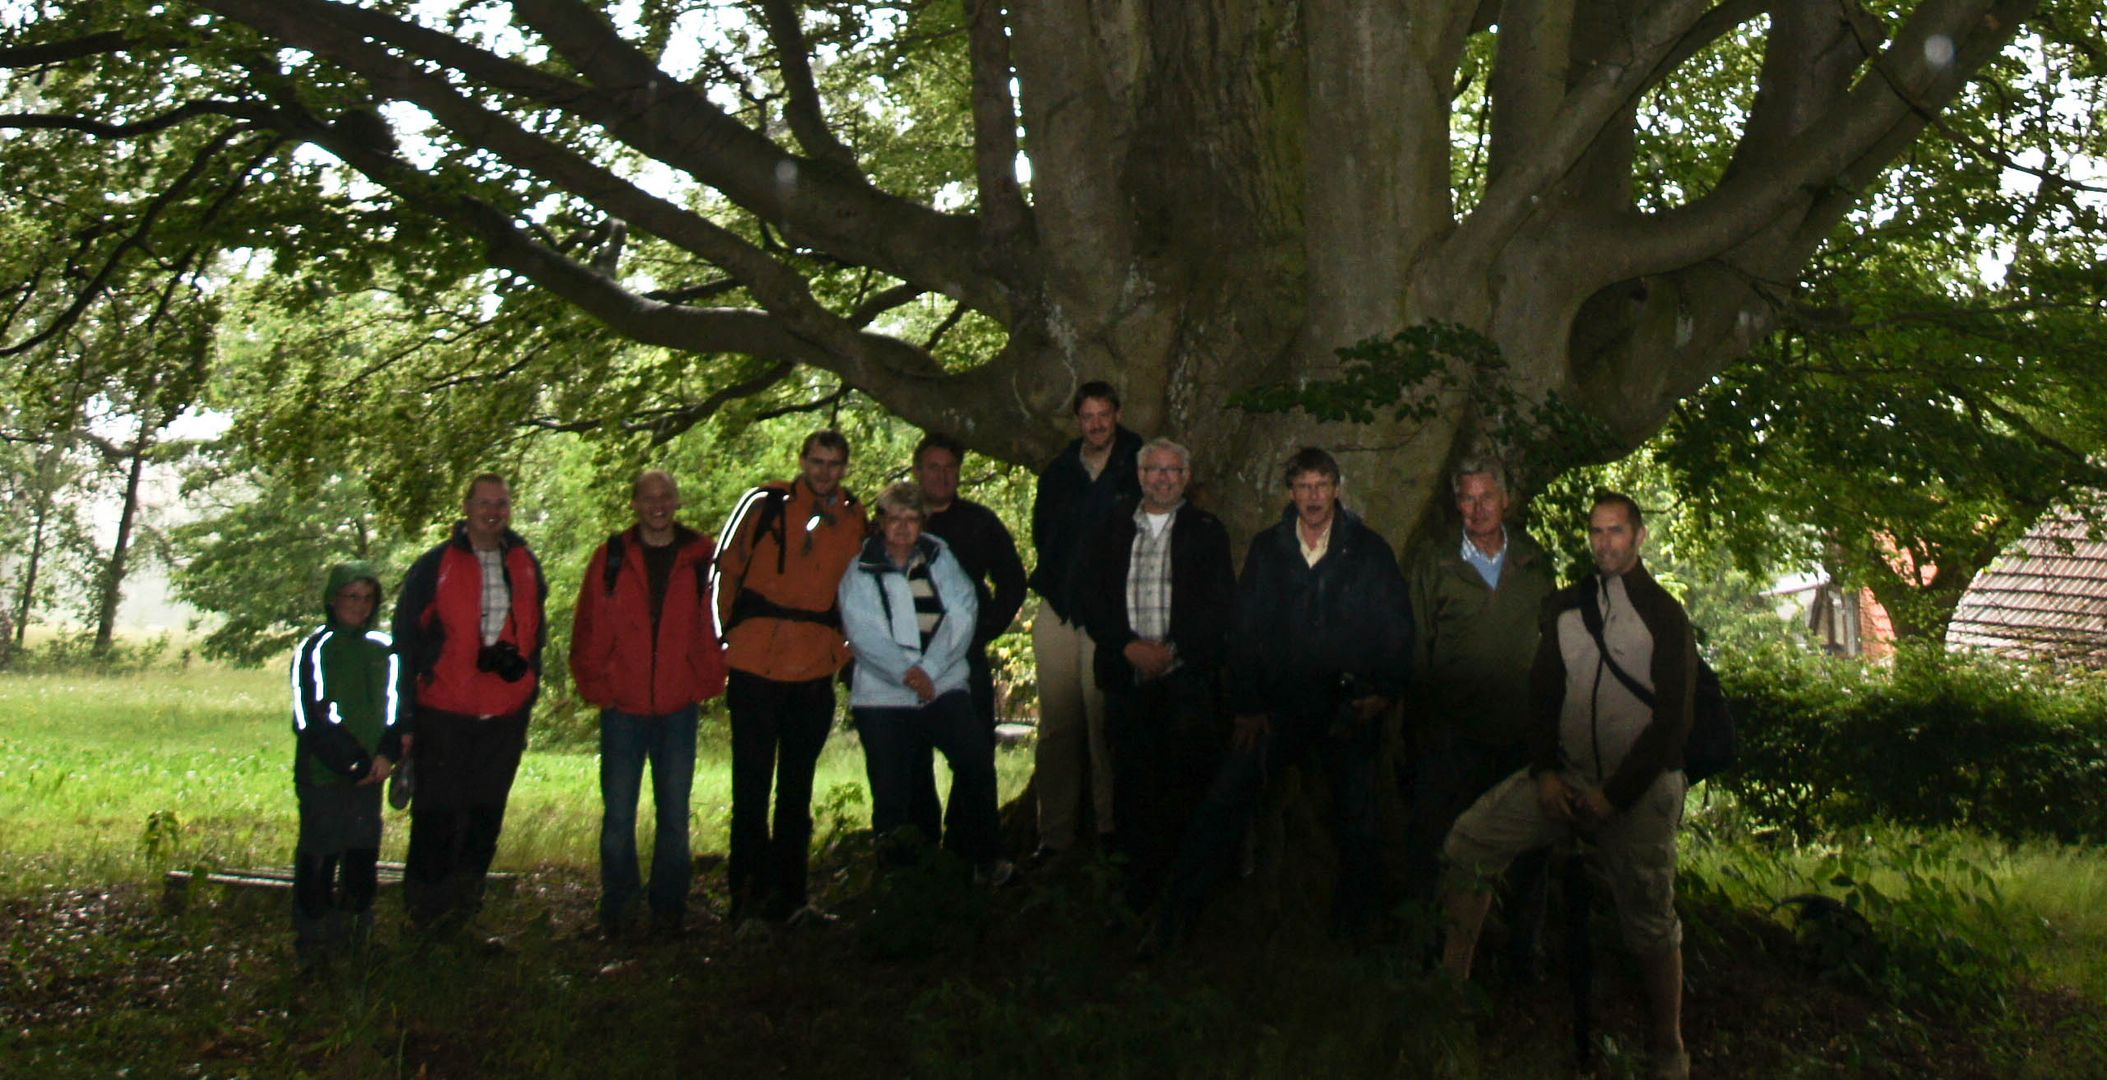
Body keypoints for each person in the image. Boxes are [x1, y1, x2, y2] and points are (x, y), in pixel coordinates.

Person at [1440, 492, 1696, 1080]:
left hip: (1640, 792)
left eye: (1616, 532)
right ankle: (1448, 1002)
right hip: (1567, 780)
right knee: (1469, 843)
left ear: (1639, 537)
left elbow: (1671, 726)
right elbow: (1544, 696)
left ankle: (1668, 1047)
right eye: (1596, 532)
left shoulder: (1664, 617)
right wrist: (1547, 772)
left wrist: (1616, 797)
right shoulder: (1566, 609)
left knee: (1651, 921)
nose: (1605, 542)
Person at [1155, 447, 1413, 945]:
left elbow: (1397, 628)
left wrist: (1383, 691)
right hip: (1279, 707)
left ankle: (1357, 937)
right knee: (1226, 796)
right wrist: (1248, 704)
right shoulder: (1269, 548)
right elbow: (1243, 630)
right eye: (1303, 486)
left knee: (1359, 815)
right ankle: (1177, 921)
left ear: (1337, 489)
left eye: (1321, 486)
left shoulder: (1368, 551)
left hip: (1347, 705)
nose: (1313, 497)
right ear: (1291, 493)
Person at [1401, 460, 1556, 954]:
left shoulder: (1534, 562)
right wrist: (1422, 719)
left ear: (1506, 500)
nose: (1477, 509)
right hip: (1453, 733)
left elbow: (1553, 645)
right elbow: (1417, 644)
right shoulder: (1436, 562)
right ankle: (1427, 951)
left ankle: (1517, 952)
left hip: (1520, 734)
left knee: (1528, 847)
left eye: (1486, 497)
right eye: (1466, 499)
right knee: (1437, 842)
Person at [712, 430, 867, 924]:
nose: (824, 471)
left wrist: (842, 651)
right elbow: (722, 573)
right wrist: (724, 645)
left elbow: (862, 588)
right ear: (802, 461)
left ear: (844, 467)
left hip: (813, 673)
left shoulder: (854, 518)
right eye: (817, 462)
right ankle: (745, 899)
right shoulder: (764, 504)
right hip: (755, 667)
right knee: (751, 790)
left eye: (834, 463)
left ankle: (791, 900)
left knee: (796, 792)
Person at [1075, 437, 1235, 910]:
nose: (1162, 478)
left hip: (1186, 679)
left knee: (1185, 784)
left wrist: (1174, 651)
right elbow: (1088, 595)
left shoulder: (1207, 530)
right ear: (1140, 476)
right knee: (1130, 786)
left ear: (1185, 478)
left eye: (1172, 471)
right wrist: (1126, 646)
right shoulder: (1111, 527)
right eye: (1154, 470)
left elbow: (1219, 603)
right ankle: (1133, 892)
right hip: (1126, 676)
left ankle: (1186, 893)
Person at [570, 469, 729, 938]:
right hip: (623, 707)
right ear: (635, 503)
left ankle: (668, 909)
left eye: (666, 496)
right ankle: (618, 909)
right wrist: (598, 687)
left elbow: (719, 623)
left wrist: (708, 679)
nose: (658, 504)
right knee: (618, 816)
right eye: (648, 497)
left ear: (677, 501)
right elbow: (588, 627)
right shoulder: (612, 557)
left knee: (675, 816)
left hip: (678, 706)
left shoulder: (703, 557)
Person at [394, 473, 548, 935]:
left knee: (485, 816)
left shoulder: (524, 564)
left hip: (503, 713)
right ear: (466, 506)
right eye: (484, 503)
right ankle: (424, 917)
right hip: (443, 708)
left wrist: (528, 688)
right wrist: (405, 712)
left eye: (501, 503)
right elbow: (405, 641)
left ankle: (463, 915)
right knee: (436, 815)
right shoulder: (434, 566)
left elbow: (537, 636)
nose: (493, 512)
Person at [838, 482, 1010, 883]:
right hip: (883, 696)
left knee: (974, 760)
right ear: (880, 522)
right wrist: (905, 673)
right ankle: (898, 879)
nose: (901, 527)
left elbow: (963, 611)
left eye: (911, 519)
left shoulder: (938, 557)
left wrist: (929, 671)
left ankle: (981, 857)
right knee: (892, 788)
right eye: (893, 518)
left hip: (943, 685)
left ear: (923, 522)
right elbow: (863, 632)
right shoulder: (861, 568)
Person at [1028, 380, 1144, 856]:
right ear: (1078, 420)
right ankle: (1053, 834)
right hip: (1060, 605)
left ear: (1117, 414)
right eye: (1087, 416)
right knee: (1058, 727)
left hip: (1112, 613)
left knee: (1103, 725)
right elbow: (1043, 534)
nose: (1096, 424)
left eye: (1103, 415)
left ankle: (1108, 829)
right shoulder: (1060, 471)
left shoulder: (1139, 464)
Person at [906, 432, 1027, 851]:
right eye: (933, 468)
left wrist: (986, 628)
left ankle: (970, 851)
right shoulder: (895, 523)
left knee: (975, 755)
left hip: (965, 656)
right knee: (911, 756)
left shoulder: (979, 522)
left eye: (950, 469)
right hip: (909, 659)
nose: (942, 476)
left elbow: (1012, 579)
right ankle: (919, 852)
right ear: (918, 471)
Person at [289, 561, 403, 965]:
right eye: (351, 596)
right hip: (324, 774)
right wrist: (353, 764)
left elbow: (396, 708)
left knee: (361, 854)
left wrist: (387, 755)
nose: (359, 605)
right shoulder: (315, 648)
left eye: (366, 598)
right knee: (320, 852)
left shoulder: (383, 648)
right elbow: (311, 716)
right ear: (333, 599)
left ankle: (356, 934)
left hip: (373, 775)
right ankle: (312, 938)